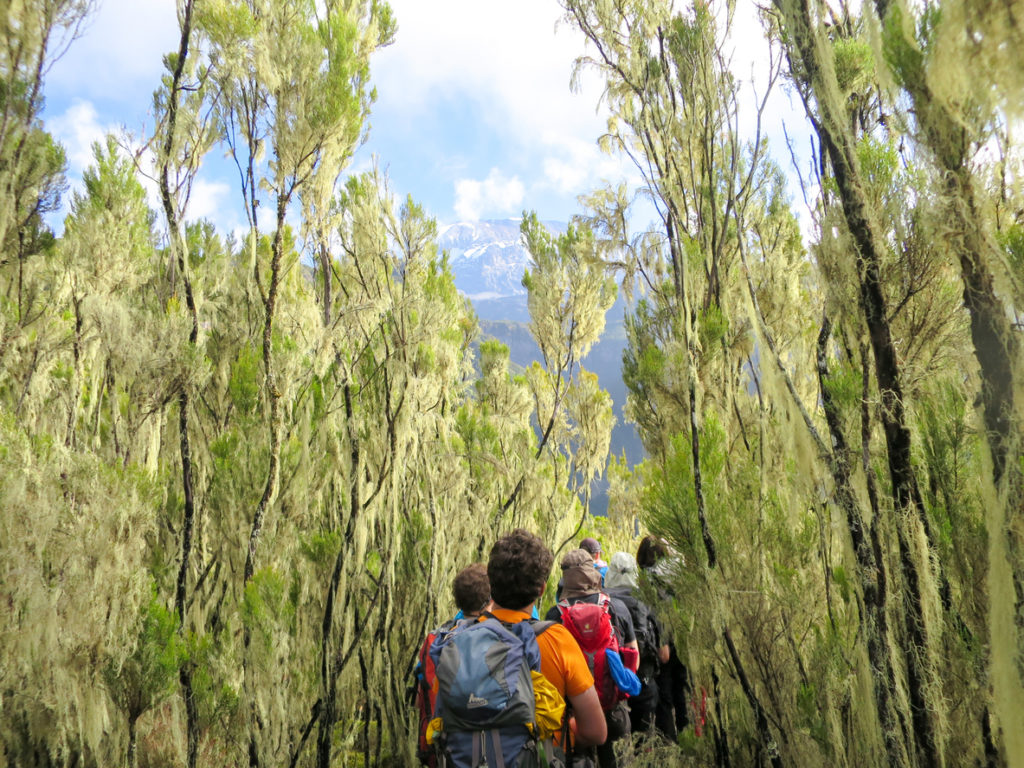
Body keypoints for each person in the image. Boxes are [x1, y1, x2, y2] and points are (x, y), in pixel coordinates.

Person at [487, 529, 608, 757]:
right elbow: (596, 732)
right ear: (542, 589)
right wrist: (564, 734)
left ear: (490, 585)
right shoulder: (557, 640)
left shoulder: (458, 641)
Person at [546, 549, 638, 767]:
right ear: (593, 572)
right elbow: (633, 657)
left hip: (574, 716)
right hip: (613, 708)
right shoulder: (615, 607)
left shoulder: (555, 615)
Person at [412, 564, 493, 765]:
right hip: (485, 751)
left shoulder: (436, 638)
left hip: (442, 748)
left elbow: (418, 700)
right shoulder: (496, 637)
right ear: (489, 601)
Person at [604, 552, 670, 737]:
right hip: (643, 682)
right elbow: (664, 654)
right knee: (644, 743)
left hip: (610, 686)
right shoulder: (646, 602)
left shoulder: (601, 601)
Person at [636, 535, 690, 741]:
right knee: (681, 689)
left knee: (665, 695)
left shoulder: (648, 578)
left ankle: (669, 744)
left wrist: (662, 642)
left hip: (665, 640)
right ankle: (687, 738)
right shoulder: (677, 574)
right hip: (683, 639)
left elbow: (657, 611)